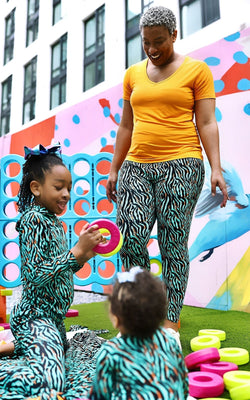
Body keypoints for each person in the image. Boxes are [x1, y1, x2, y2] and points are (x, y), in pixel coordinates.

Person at [106, 6, 228, 346]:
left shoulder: (197, 71)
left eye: (159, 41)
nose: (152, 49)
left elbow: (206, 122)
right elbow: (126, 125)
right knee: (130, 239)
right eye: (146, 42)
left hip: (182, 164)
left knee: (173, 243)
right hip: (136, 166)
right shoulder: (133, 74)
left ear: (174, 35)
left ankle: (170, 321)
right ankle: (137, 315)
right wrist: (115, 167)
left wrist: (216, 168)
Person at [0, 143, 104, 399]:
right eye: (59, 187)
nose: (67, 193)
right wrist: (75, 253)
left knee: (61, 353)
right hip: (34, 317)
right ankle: (24, 349)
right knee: (52, 378)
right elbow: (35, 275)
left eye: (69, 187)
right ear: (36, 188)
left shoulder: (53, 222)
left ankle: (17, 346)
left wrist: (84, 255)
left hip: (54, 320)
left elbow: (61, 266)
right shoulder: (34, 219)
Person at [88, 266, 189, 399]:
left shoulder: (111, 351)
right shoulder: (169, 341)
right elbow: (183, 382)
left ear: (116, 319)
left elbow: (99, 395)